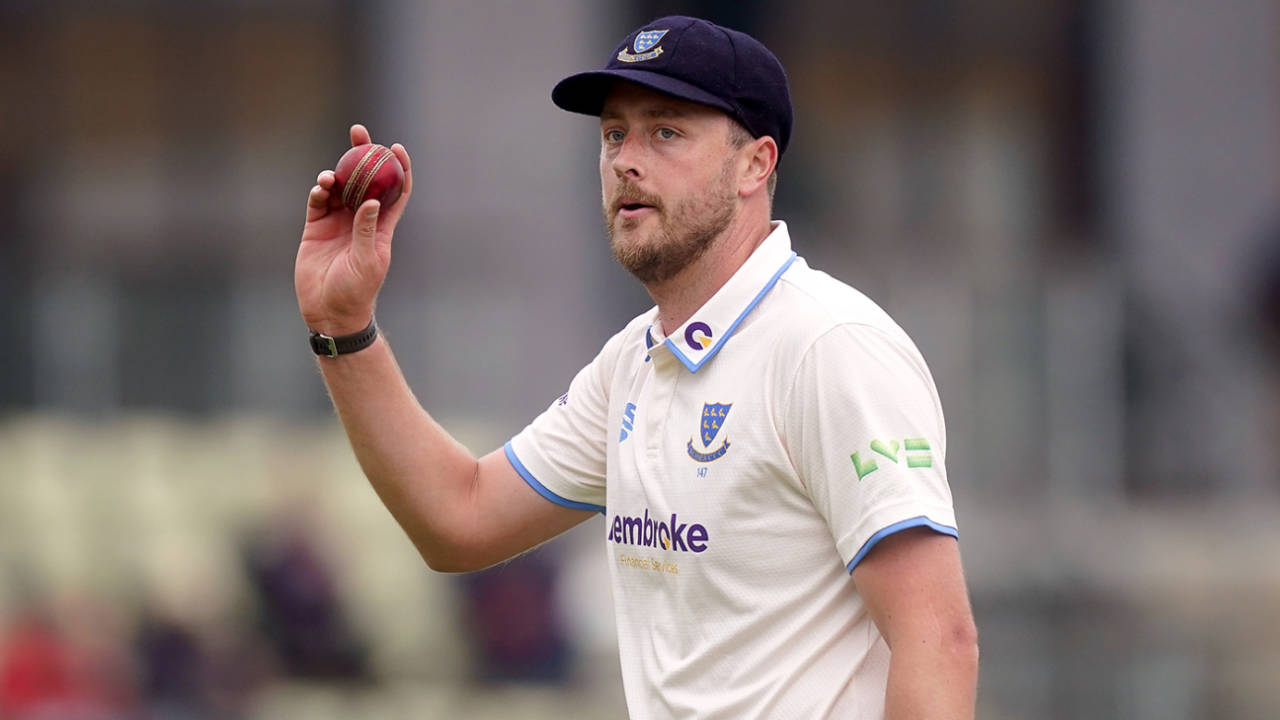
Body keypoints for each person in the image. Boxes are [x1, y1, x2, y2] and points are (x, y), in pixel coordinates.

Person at [295, 15, 978, 719]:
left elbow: (939, 641)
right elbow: (459, 518)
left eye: (666, 131)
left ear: (756, 163)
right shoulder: (634, 361)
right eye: (614, 133)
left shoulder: (830, 346)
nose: (626, 158)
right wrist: (341, 325)